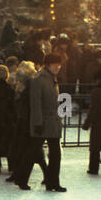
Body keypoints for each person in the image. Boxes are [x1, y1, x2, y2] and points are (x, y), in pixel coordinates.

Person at [14, 52, 65, 191]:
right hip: (42, 122)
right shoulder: (39, 79)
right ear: (48, 64)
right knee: (32, 152)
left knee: (54, 153)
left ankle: (52, 182)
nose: (58, 67)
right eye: (56, 64)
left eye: (59, 64)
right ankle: (21, 178)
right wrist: (37, 123)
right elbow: (35, 103)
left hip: (52, 121)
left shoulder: (51, 78)